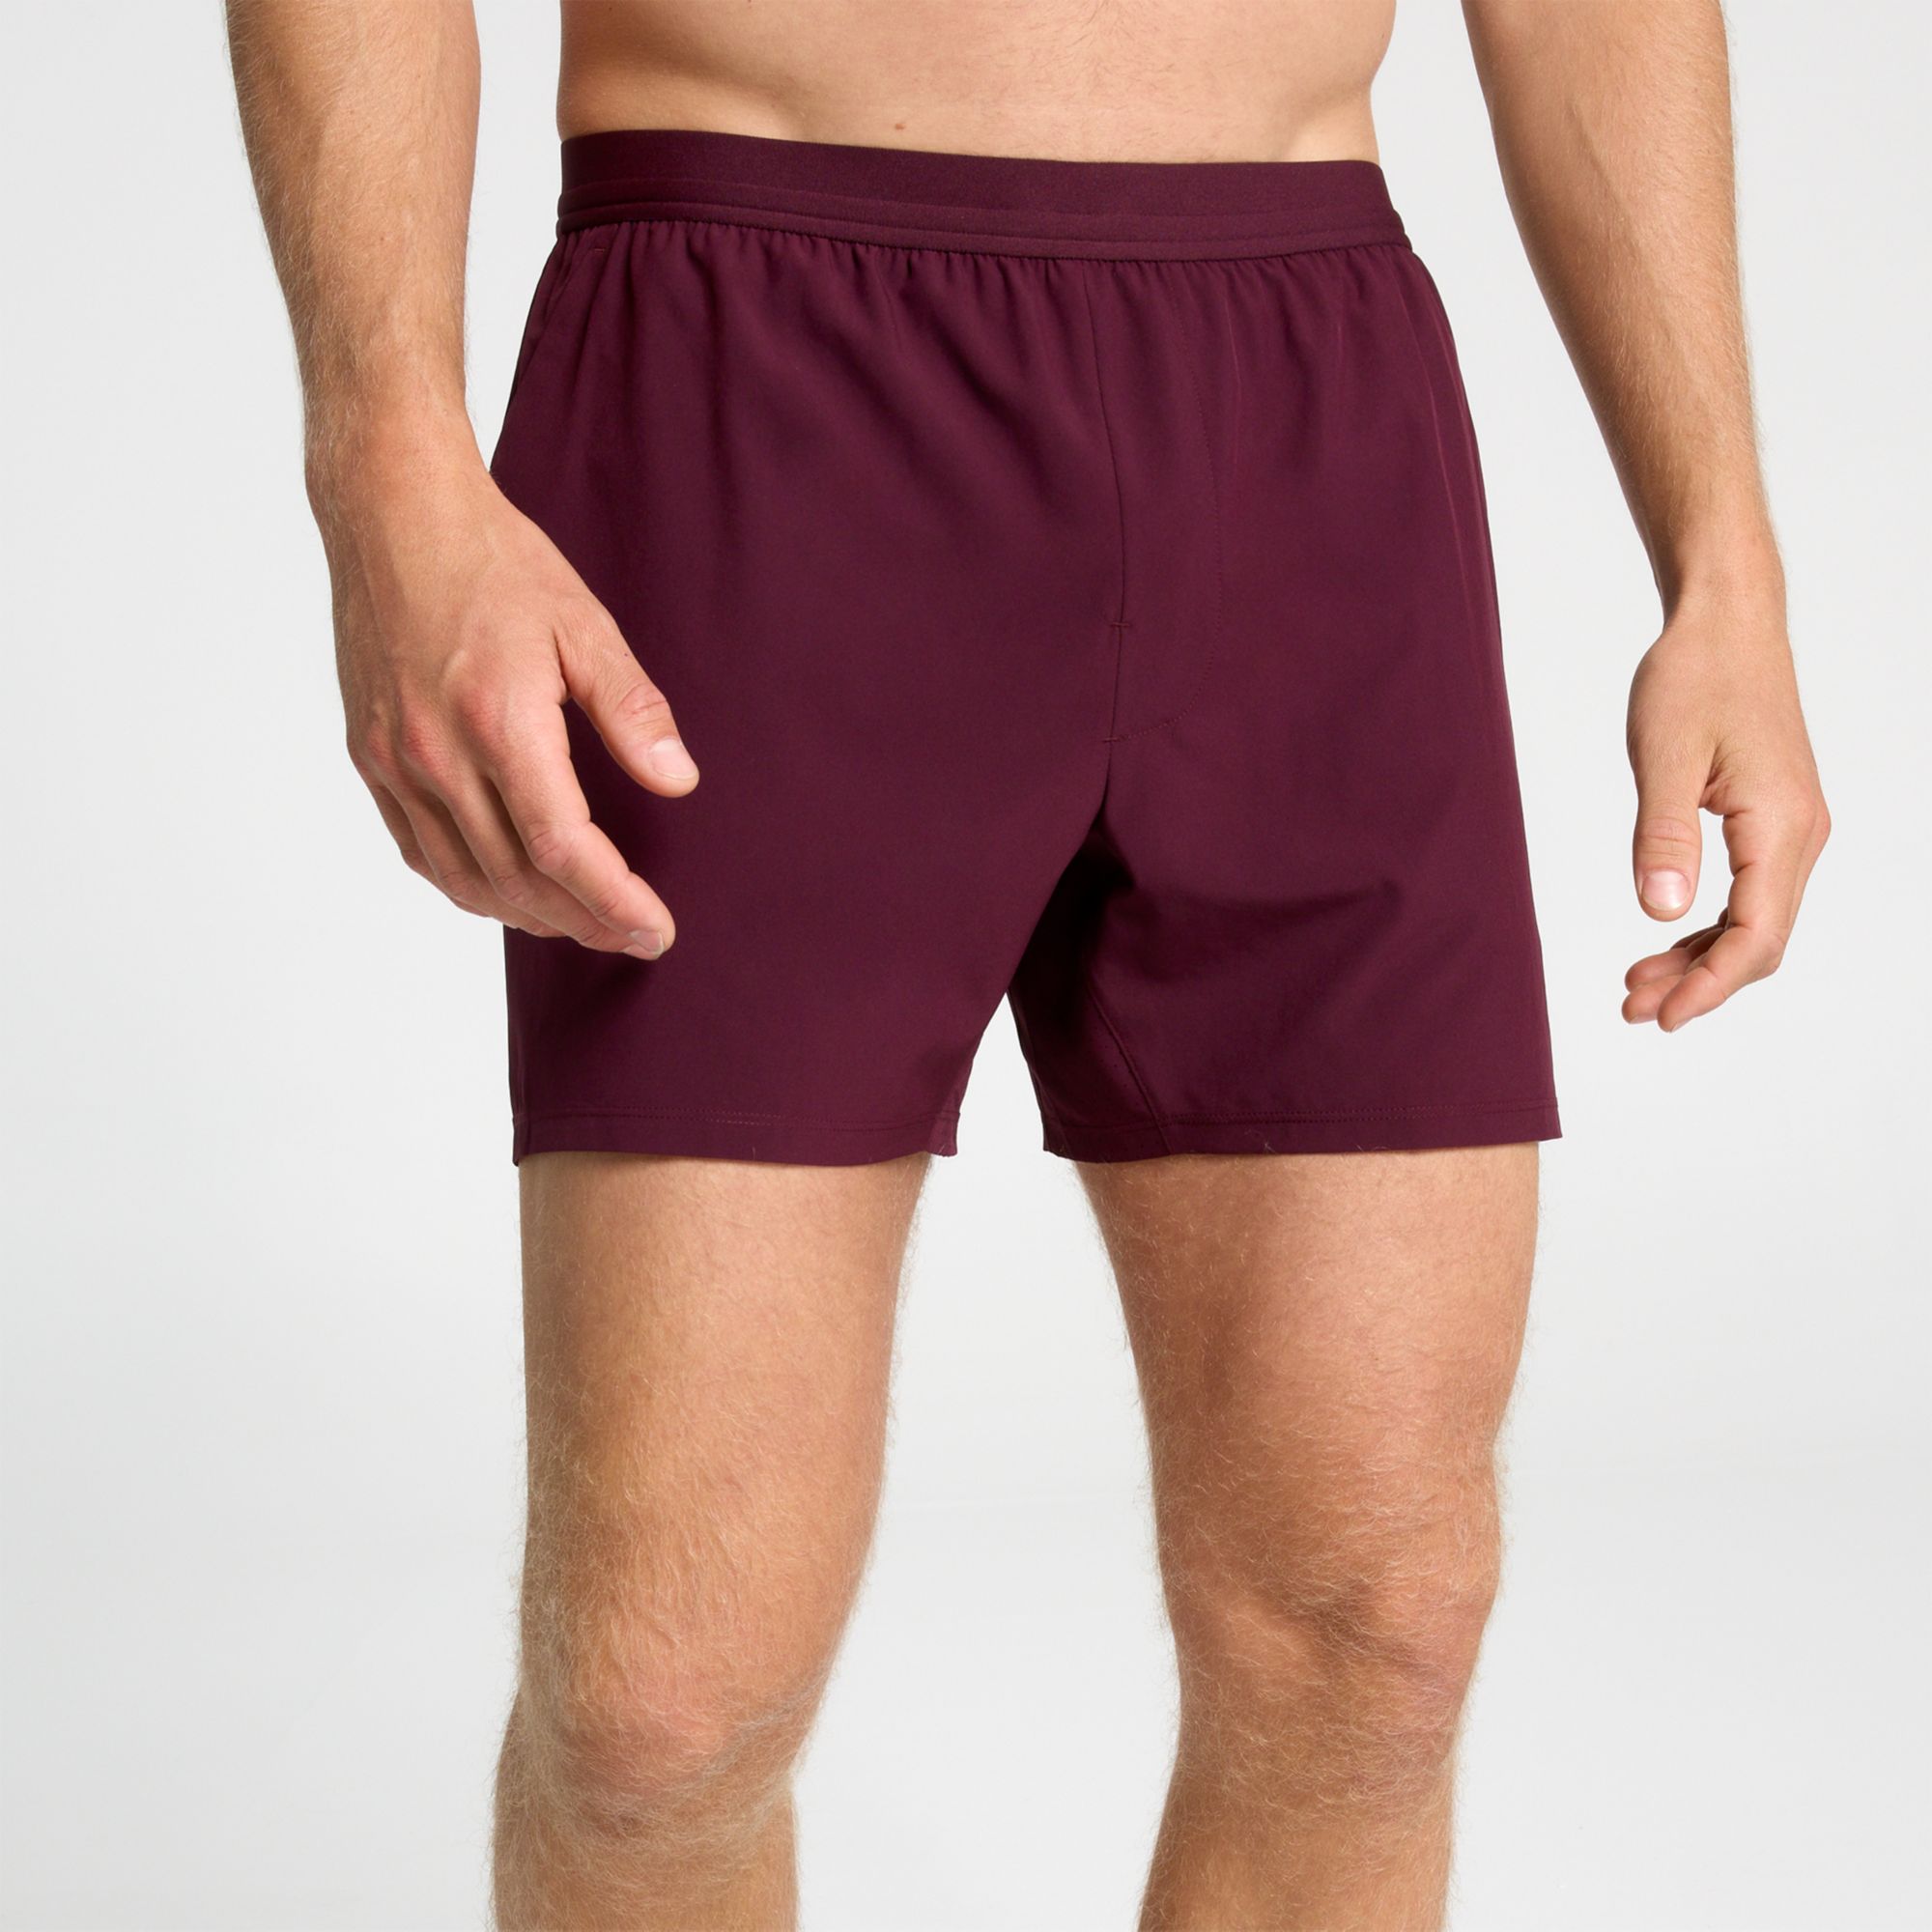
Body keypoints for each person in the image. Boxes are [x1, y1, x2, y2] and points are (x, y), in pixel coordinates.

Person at [226, 1, 1828, 1924]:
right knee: (662, 1707)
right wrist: (385, 462)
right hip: (755, 353)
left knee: (1372, 1628)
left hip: (1301, 395)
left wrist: (1724, 562)